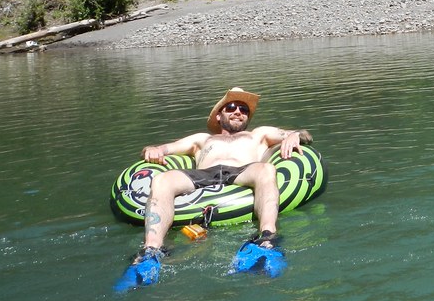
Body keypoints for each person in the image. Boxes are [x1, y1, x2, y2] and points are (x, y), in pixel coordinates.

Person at [117, 87, 313, 288]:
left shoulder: (258, 134)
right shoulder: (202, 139)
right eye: (232, 107)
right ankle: (151, 251)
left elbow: (304, 135)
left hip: (242, 171)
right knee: (162, 179)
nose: (238, 112)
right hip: (204, 174)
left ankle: (267, 238)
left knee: (267, 169)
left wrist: (294, 135)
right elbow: (163, 149)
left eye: (244, 109)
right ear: (219, 115)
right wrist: (152, 150)